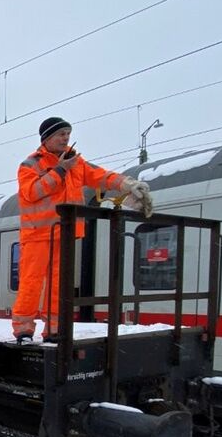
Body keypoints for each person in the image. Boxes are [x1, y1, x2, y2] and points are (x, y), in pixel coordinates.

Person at [12, 116, 153, 342]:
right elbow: (33, 192)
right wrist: (59, 171)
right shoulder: (31, 164)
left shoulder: (76, 162)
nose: (66, 137)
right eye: (61, 134)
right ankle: (23, 330)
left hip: (65, 234)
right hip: (38, 234)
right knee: (31, 282)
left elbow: (101, 176)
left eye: (68, 133)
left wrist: (128, 184)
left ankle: (54, 331)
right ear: (47, 138)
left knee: (59, 285)